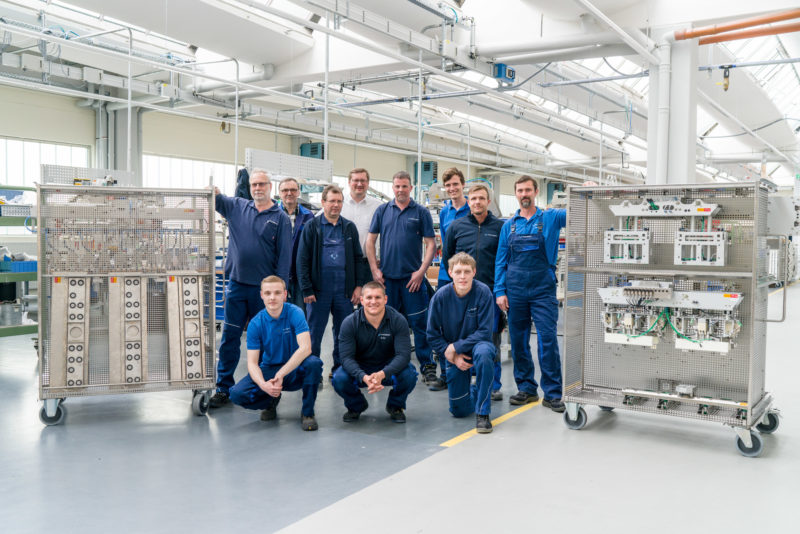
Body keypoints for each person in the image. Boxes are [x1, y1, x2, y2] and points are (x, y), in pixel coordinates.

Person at [210, 169, 292, 408]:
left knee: (267, 341)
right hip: (236, 285)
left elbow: (285, 257)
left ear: (270, 187)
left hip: (264, 292)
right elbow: (215, 199)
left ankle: (268, 388)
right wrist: (213, 191)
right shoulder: (237, 207)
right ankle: (223, 387)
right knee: (230, 337)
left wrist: (279, 292)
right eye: (254, 184)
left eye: (262, 184)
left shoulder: (280, 218)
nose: (257, 188)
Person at [494, 175, 566, 413]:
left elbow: (579, 212)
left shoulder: (551, 218)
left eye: (528, 190)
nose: (524, 194)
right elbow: (501, 261)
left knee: (547, 339)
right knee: (519, 341)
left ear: (536, 192)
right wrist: (500, 290)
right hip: (515, 290)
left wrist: (587, 190)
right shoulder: (509, 225)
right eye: (520, 190)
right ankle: (526, 388)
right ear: (516, 194)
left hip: (542, 289)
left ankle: (553, 393)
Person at [366, 171, 438, 385]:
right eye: (397, 186)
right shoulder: (382, 211)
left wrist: (421, 272)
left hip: (412, 281)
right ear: (393, 187)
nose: (400, 190)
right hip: (387, 281)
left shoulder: (421, 212)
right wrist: (374, 270)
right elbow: (370, 242)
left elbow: (431, 244)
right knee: (386, 325)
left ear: (411, 188)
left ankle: (427, 366)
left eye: (404, 186)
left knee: (419, 324)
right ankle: (387, 367)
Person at [228, 276, 322, 431]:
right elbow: (252, 363)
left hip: (294, 369)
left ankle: (307, 413)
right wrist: (263, 385)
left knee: (314, 364)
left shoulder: (295, 313)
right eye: (268, 293)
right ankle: (270, 399)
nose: (272, 297)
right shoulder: (255, 324)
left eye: (277, 293)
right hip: (270, 369)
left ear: (285, 294)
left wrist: (281, 374)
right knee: (237, 394)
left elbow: (306, 348)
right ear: (261, 295)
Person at [296, 184, 369, 378]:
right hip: (319, 290)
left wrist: (358, 286)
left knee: (343, 333)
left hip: (344, 290)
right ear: (323, 203)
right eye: (332, 201)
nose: (335, 205)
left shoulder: (349, 228)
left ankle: (340, 369)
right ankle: (313, 371)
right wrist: (306, 288)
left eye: (339, 201)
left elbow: (357, 259)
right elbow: (302, 260)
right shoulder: (312, 227)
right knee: (314, 332)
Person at [441, 184, 506, 401]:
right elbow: (448, 257)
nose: (477, 202)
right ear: (468, 202)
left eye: (481, 198)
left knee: (491, 337)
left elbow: (504, 260)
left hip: (490, 292)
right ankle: (463, 378)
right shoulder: (456, 227)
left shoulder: (499, 227)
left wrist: (500, 290)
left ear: (489, 202)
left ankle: (493, 384)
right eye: (473, 198)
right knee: (461, 335)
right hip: (462, 294)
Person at [427, 252, 496, 433]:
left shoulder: (483, 293)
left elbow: (485, 331)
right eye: (458, 272)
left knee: (484, 354)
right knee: (459, 411)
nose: (462, 276)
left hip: (479, 345)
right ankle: (476, 391)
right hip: (453, 353)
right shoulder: (440, 297)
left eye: (467, 271)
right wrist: (452, 355)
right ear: (450, 273)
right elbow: (432, 334)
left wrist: (456, 347)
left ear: (474, 272)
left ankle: (483, 413)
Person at [332, 281, 417, 423]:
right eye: (369, 297)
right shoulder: (350, 323)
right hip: (360, 368)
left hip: (388, 368)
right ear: (361, 300)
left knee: (409, 374)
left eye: (378, 297)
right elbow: (346, 358)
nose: (373, 302)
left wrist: (382, 374)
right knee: (339, 378)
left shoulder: (398, 320)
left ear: (385, 299)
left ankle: (395, 406)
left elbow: (403, 356)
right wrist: (364, 377)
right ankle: (356, 406)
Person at [428, 167, 470, 391]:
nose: (452, 189)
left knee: (468, 324)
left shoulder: (472, 208)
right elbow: (446, 245)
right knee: (445, 324)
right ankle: (446, 373)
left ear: (463, 184)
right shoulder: (444, 212)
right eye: (449, 186)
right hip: (447, 275)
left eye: (456, 184)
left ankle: (470, 371)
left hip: (469, 276)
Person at [278, 177, 315, 312]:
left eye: (293, 190)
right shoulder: (272, 214)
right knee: (278, 315)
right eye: (285, 190)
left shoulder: (309, 216)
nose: (289, 193)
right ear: (279, 192)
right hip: (278, 275)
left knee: (300, 315)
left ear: (298, 192)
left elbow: (312, 248)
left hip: (301, 277)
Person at [341, 168, 383, 253]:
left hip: (367, 261)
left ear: (368, 183)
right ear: (349, 182)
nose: (359, 184)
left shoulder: (378, 206)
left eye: (363, 180)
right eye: (356, 180)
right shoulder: (339, 203)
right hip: (342, 259)